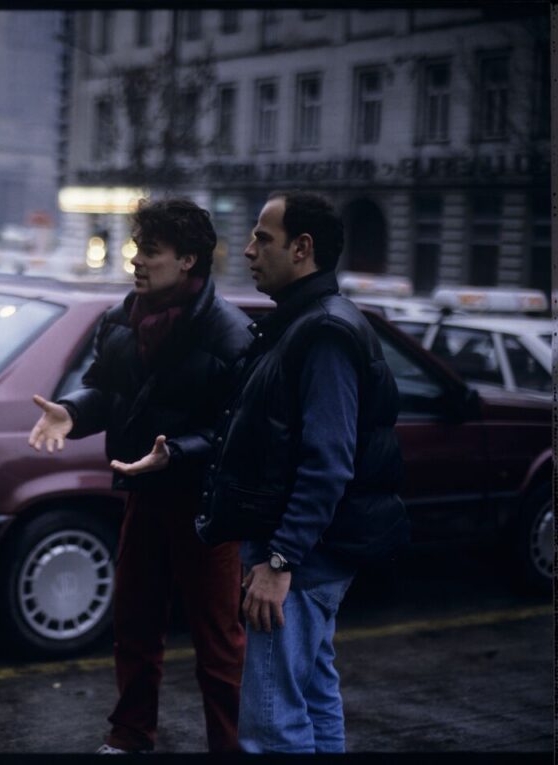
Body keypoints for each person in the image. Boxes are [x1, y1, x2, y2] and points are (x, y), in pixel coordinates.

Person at [27, 198, 252, 754]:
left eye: (151, 251)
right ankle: (129, 737)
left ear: (190, 261)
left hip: (206, 507)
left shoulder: (232, 335)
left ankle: (232, 745)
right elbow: (105, 388)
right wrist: (73, 411)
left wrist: (175, 452)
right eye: (137, 248)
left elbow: (238, 434)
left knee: (218, 642)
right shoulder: (121, 317)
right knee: (134, 626)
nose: (137, 261)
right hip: (144, 495)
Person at [196, 190, 406, 752]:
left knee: (270, 720)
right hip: (308, 551)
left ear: (302, 248)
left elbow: (327, 463)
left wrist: (280, 558)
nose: (246, 251)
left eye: (263, 239)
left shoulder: (323, 331)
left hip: (299, 556)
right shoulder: (305, 321)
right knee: (312, 696)